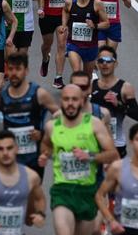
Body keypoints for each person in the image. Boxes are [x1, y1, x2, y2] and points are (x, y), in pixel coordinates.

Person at [39, 84, 118, 235]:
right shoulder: (52, 126)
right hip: (62, 190)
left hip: (87, 191)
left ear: (82, 101)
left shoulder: (94, 124)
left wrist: (90, 156)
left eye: (74, 99)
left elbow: (112, 154)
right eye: (66, 99)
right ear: (61, 101)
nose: (70, 103)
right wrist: (45, 154)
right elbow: (45, 145)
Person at [0, 53, 58, 177]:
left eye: (18, 69)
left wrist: (44, 134)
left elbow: (60, 116)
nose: (14, 73)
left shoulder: (39, 94)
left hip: (33, 158)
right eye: (10, 69)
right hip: (9, 158)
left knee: (32, 195)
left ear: (26, 70)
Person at [90, 46, 138, 159]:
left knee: (116, 176)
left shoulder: (125, 87)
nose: (104, 64)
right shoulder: (91, 86)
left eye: (109, 61)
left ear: (115, 64)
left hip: (116, 144)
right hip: (93, 141)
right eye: (101, 61)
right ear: (97, 64)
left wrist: (118, 104)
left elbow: (136, 115)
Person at [61, 0, 110, 77]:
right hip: (74, 45)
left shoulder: (97, 4)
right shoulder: (70, 2)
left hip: (90, 46)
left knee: (87, 77)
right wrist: (64, 24)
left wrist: (95, 25)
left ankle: (85, 92)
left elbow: (107, 24)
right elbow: (65, 11)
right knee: (77, 72)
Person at [39, 0, 72, 83]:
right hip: (47, 17)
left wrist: (73, 8)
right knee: (47, 44)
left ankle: (58, 77)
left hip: (62, 17)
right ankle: (45, 59)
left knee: (62, 44)